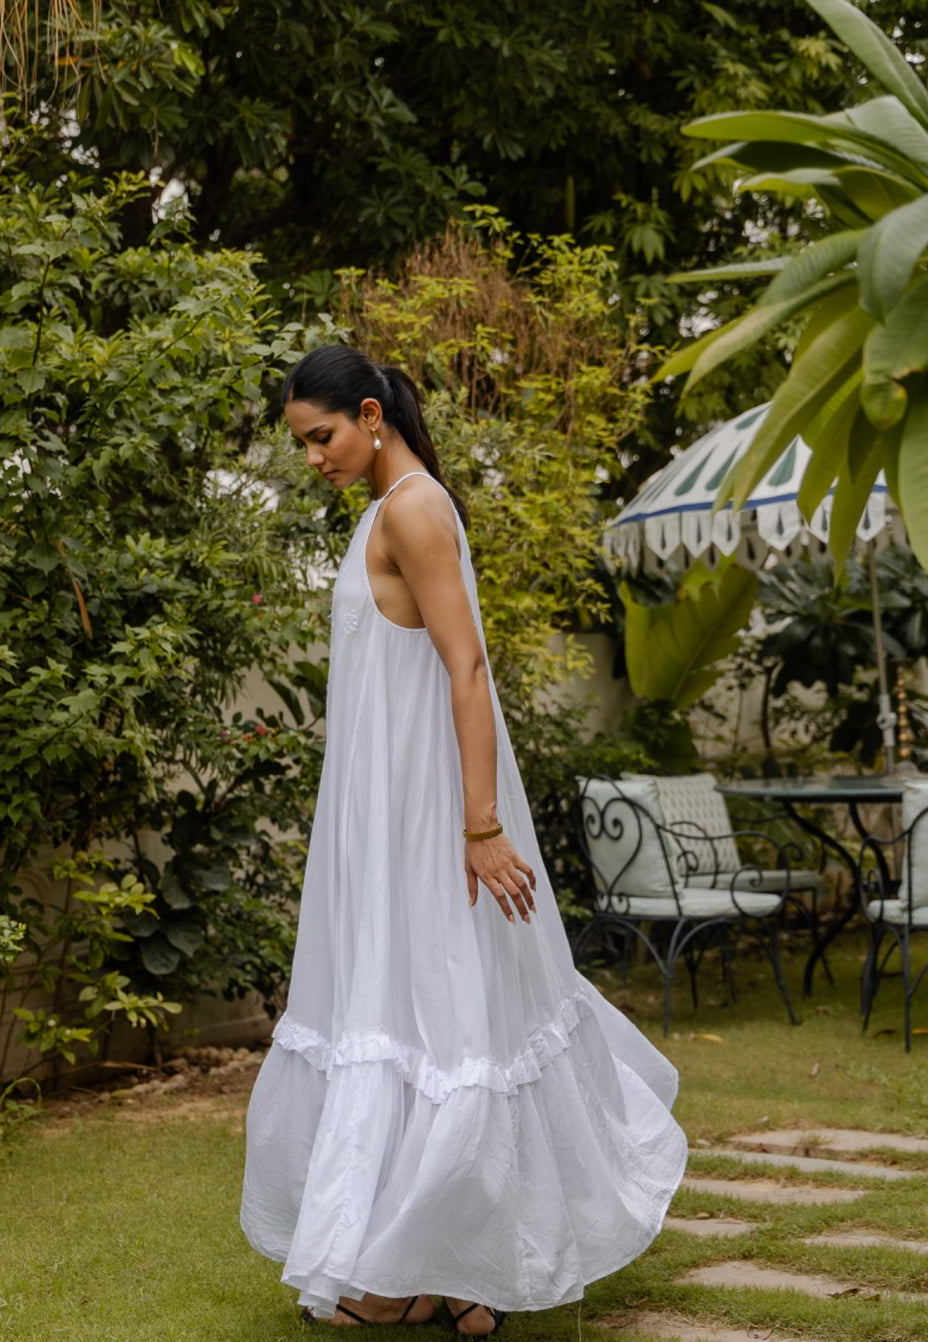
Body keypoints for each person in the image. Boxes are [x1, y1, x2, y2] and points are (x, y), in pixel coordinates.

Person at [240, 345, 687, 1334]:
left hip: (427, 814)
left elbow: (467, 668)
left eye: (322, 436)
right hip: (383, 810)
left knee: (439, 1015)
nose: (313, 456)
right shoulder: (388, 510)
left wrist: (480, 827)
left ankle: (428, 1277)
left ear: (369, 413)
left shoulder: (410, 508)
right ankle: (453, 1277)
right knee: (425, 1013)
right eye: (303, 444)